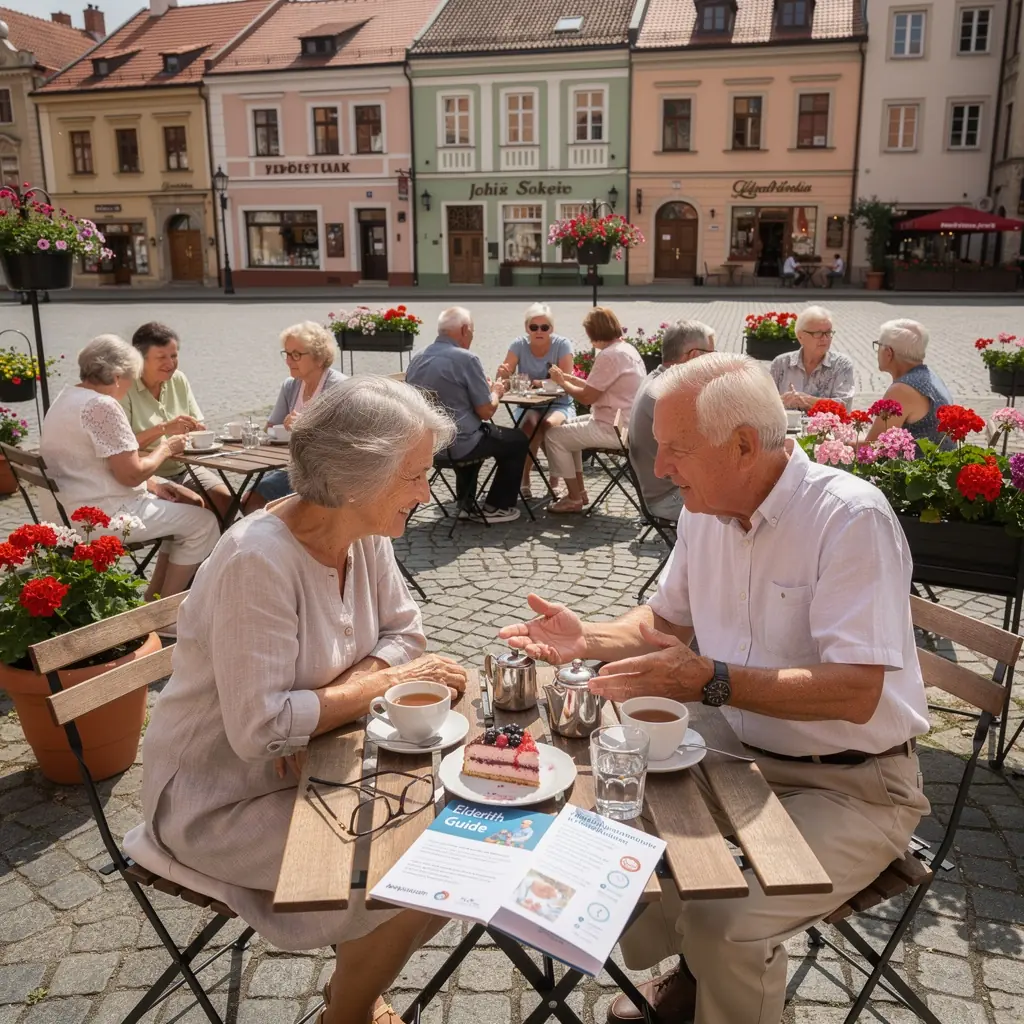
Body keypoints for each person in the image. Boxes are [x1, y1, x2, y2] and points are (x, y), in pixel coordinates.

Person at [498, 352, 930, 1024]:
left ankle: (711, 967)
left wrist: (715, 681)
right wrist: (588, 639)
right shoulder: (707, 508)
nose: (660, 467)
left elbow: (855, 693)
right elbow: (664, 622)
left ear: (744, 445)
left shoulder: (849, 518)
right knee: (603, 832)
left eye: (676, 448)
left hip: (854, 785)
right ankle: (695, 975)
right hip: (737, 758)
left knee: (726, 917)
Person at [136, 378, 468, 1024]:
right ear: (354, 480)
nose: (428, 493)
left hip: (322, 762)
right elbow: (261, 731)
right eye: (415, 476)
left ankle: (348, 998)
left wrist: (317, 715)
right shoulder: (256, 562)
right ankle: (348, 1014)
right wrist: (368, 689)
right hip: (220, 798)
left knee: (456, 849)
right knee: (408, 877)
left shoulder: (366, 533)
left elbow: (407, 635)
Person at [40, 335, 220, 600]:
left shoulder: (67, 397)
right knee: (204, 523)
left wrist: (156, 484)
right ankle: (164, 614)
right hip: (98, 516)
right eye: (129, 379)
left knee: (186, 509)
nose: (128, 386)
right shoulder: (102, 406)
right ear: (115, 376)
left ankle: (152, 601)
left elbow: (100, 463)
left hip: (65, 511)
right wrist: (167, 448)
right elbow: (131, 473)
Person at [406, 306, 528, 524]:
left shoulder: (418, 357)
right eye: (471, 332)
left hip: (427, 444)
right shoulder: (466, 359)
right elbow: (486, 411)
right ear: (464, 330)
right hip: (459, 444)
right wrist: (496, 392)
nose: (472, 336)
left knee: (476, 432)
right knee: (516, 439)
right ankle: (497, 506)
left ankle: (466, 503)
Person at [120, 321, 233, 520]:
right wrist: (163, 428)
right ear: (140, 359)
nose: (170, 364)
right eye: (162, 357)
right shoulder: (124, 388)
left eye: (174, 355)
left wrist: (196, 429)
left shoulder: (178, 379)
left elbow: (196, 426)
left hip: (185, 467)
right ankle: (178, 551)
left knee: (226, 500)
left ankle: (210, 551)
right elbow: (121, 448)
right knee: (192, 504)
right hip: (147, 474)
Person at [545, 307, 646, 514]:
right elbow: (597, 386)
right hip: (626, 423)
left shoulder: (609, 356)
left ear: (595, 333)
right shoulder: (627, 350)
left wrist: (562, 382)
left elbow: (587, 397)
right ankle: (579, 492)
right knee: (564, 428)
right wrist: (570, 378)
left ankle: (573, 497)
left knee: (553, 436)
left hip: (614, 428)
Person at [246, 322, 347, 510]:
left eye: (296, 355)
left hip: (327, 477)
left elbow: (344, 441)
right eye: (287, 354)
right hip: (295, 470)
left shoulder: (339, 388)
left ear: (319, 358)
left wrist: (304, 426)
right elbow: (271, 427)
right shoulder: (291, 386)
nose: (289, 361)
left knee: (285, 505)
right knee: (250, 500)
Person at [628, 320, 715, 521]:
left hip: (662, 490)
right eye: (711, 355)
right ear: (694, 355)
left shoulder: (658, 379)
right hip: (668, 498)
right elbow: (704, 448)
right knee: (747, 500)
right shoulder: (668, 394)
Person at [496, 303, 576, 498]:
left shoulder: (562, 345)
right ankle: (524, 479)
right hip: (529, 403)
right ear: (526, 328)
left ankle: (555, 480)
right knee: (529, 425)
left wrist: (537, 382)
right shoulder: (518, 345)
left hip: (559, 403)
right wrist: (503, 374)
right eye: (534, 327)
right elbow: (505, 377)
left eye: (544, 327)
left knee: (550, 425)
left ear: (551, 328)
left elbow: (566, 379)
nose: (539, 331)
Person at [866, 319, 954, 449]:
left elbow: (872, 446)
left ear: (888, 353)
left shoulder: (902, 389)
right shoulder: (929, 374)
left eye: (878, 345)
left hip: (922, 466)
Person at [769, 305, 855, 411]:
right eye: (818, 333)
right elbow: (765, 404)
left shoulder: (841, 364)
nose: (825, 338)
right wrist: (783, 400)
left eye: (828, 332)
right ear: (800, 337)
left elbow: (844, 406)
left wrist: (806, 400)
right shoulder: (781, 363)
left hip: (825, 427)